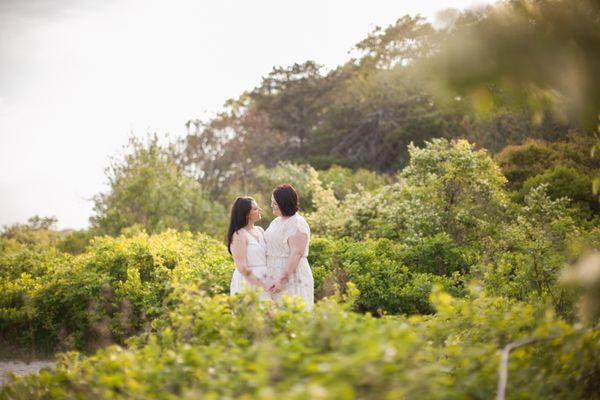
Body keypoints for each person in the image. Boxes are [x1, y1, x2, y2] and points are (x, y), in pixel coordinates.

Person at [264, 184, 314, 309]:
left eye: (274, 203)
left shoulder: (297, 223)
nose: (271, 206)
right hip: (273, 275)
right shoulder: (276, 221)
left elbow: (296, 254)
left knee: (292, 314)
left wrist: (282, 280)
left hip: (292, 276)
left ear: (284, 203)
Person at [228, 196, 270, 299]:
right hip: (247, 281)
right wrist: (260, 284)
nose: (259, 210)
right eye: (255, 208)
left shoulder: (260, 230)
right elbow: (242, 267)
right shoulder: (239, 235)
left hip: (265, 279)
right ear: (246, 213)